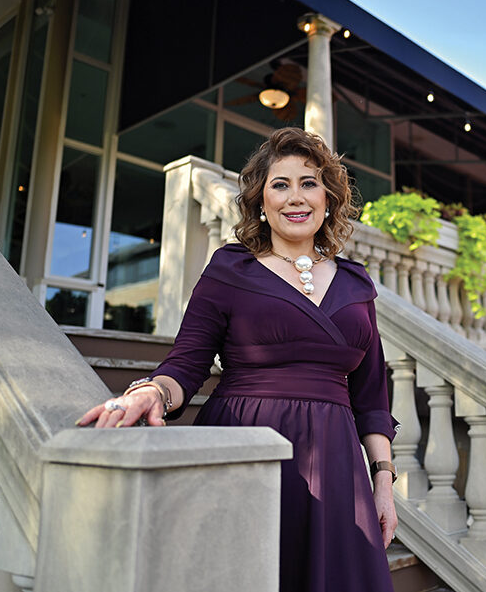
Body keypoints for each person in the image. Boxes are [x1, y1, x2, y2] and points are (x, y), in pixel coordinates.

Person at [78, 127, 398, 592]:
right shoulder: (230, 269)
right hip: (243, 446)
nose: (296, 197)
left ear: (328, 198)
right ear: (261, 203)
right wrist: (150, 390)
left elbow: (371, 395)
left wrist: (383, 481)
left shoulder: (356, 283)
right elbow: (186, 364)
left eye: (309, 183)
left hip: (335, 461)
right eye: (280, 184)